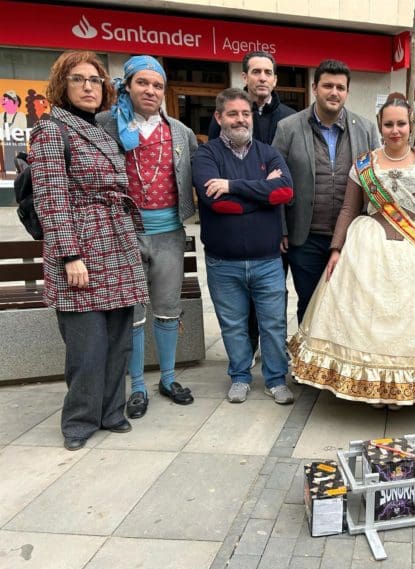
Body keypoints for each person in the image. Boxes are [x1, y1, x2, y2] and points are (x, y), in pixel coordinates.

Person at [289, 93, 415, 406]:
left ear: (411, 124)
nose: (395, 130)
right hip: (368, 246)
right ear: (380, 126)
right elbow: (349, 209)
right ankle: (368, 383)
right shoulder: (364, 165)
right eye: (389, 124)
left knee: (414, 318)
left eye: (401, 123)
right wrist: (336, 249)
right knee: (366, 319)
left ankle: (408, 384)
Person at [30, 51, 147, 450]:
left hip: (116, 244)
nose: (88, 87)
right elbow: (51, 199)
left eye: (95, 80)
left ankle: (111, 411)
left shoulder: (101, 129)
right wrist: (69, 256)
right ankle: (79, 421)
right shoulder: (51, 130)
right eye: (78, 79)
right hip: (81, 249)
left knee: (118, 341)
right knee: (87, 348)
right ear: (61, 85)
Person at [97, 55, 198, 418]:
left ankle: (168, 379)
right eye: (142, 82)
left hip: (169, 233)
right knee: (133, 314)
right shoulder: (105, 125)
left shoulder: (181, 132)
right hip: (124, 234)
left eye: (157, 85)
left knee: (168, 309)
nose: (151, 90)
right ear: (127, 86)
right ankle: (138, 387)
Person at [192, 88, 294, 404]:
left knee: (274, 325)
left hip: (268, 260)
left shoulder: (268, 153)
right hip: (223, 262)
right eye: (233, 114)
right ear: (219, 117)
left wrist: (232, 186)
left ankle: (276, 380)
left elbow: (284, 192)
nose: (240, 120)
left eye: (245, 114)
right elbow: (216, 203)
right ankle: (239, 376)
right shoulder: (206, 155)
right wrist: (263, 194)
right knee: (234, 325)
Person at [272, 59, 378, 324]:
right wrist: (281, 228)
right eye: (328, 86)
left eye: (340, 87)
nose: (334, 92)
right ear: (314, 88)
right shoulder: (288, 128)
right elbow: (275, 182)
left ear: (347, 92)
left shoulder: (366, 129)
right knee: (310, 304)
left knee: (348, 305)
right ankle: (306, 351)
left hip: (351, 237)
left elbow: (377, 180)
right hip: (305, 237)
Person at [208, 50, 295, 364]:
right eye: (256, 71)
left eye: (267, 72)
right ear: (244, 76)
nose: (262, 77)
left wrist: (282, 226)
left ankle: (274, 356)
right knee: (240, 305)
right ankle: (247, 353)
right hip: (238, 226)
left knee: (272, 297)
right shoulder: (228, 114)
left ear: (275, 79)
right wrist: (260, 188)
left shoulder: (288, 117)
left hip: (275, 228)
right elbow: (216, 179)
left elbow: (284, 183)